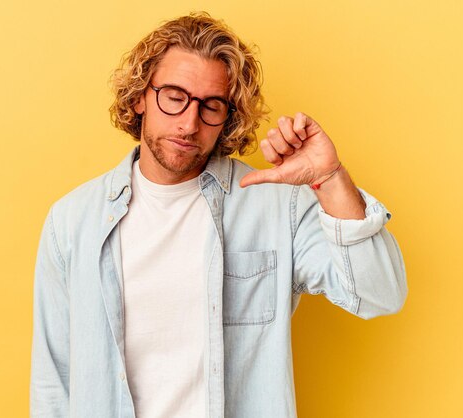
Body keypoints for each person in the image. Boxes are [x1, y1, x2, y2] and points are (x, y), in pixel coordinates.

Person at [30, 12, 407, 418]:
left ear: (228, 116)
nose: (189, 124)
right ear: (140, 95)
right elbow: (54, 381)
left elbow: (379, 295)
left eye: (210, 106)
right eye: (174, 97)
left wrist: (331, 179)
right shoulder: (71, 222)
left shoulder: (278, 206)